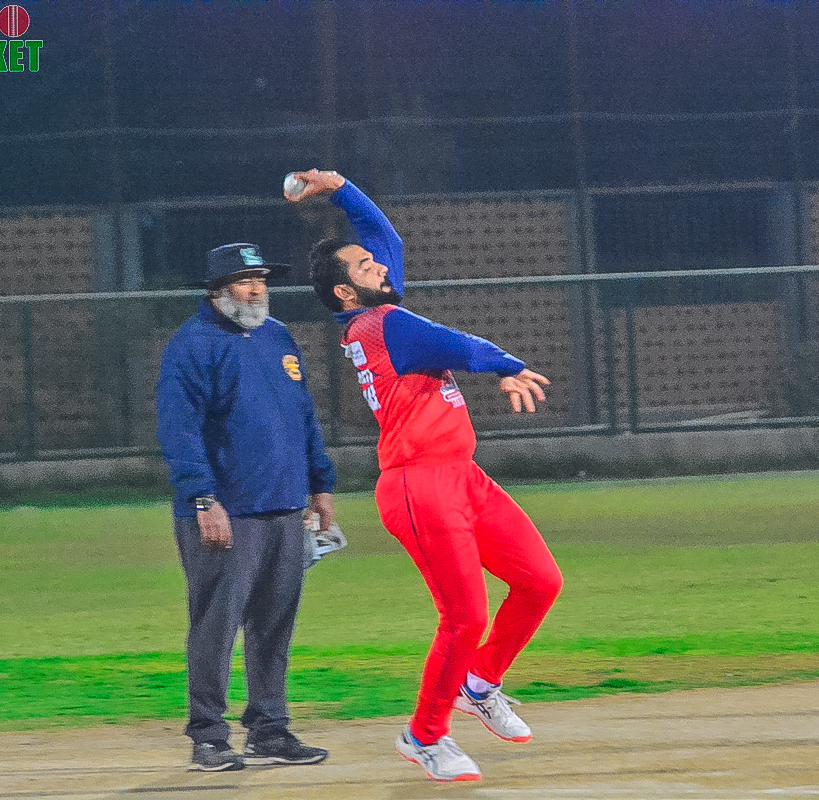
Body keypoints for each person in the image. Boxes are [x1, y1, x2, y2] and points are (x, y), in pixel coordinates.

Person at [286, 169, 563, 783]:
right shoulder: (382, 324)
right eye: (365, 268)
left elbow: (387, 240)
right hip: (418, 485)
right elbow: (455, 343)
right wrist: (507, 365)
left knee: (540, 581)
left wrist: (341, 187)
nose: (380, 266)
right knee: (464, 617)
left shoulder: (379, 315)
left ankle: (479, 682)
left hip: (461, 476)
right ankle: (424, 735)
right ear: (345, 293)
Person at [156, 243, 337, 772]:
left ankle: (269, 729)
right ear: (217, 290)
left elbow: (303, 415)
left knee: (274, 624)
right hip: (226, 510)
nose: (257, 289)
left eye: (261, 279)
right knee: (216, 624)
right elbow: (180, 428)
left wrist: (320, 484)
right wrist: (203, 498)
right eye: (244, 281)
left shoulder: (277, 335)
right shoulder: (193, 343)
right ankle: (208, 736)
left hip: (284, 505)